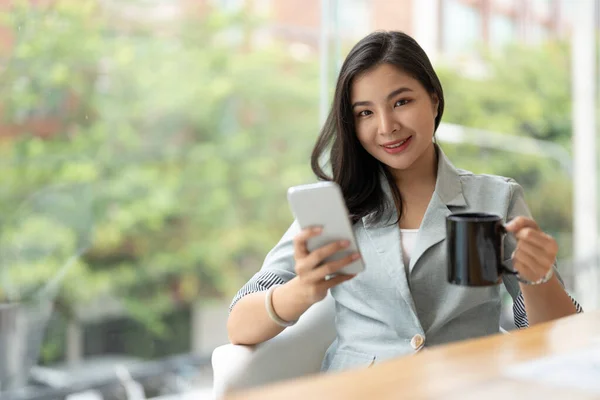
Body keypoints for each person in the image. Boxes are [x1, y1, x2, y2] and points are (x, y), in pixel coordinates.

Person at [227, 30, 582, 372]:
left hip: (467, 385)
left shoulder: (495, 198)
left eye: (401, 102)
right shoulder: (337, 204)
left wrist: (540, 277)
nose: (386, 126)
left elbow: (564, 337)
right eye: (365, 112)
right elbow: (239, 325)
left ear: (434, 98)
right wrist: (302, 290)